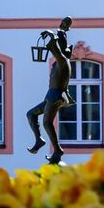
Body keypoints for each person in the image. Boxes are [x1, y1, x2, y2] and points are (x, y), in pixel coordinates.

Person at [27, 17, 75, 165]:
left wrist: (51, 34)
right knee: (31, 114)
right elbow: (56, 49)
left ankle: (57, 150)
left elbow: (55, 49)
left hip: (55, 97)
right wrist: (57, 32)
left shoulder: (64, 62)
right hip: (51, 96)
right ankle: (40, 141)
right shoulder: (60, 63)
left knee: (47, 123)